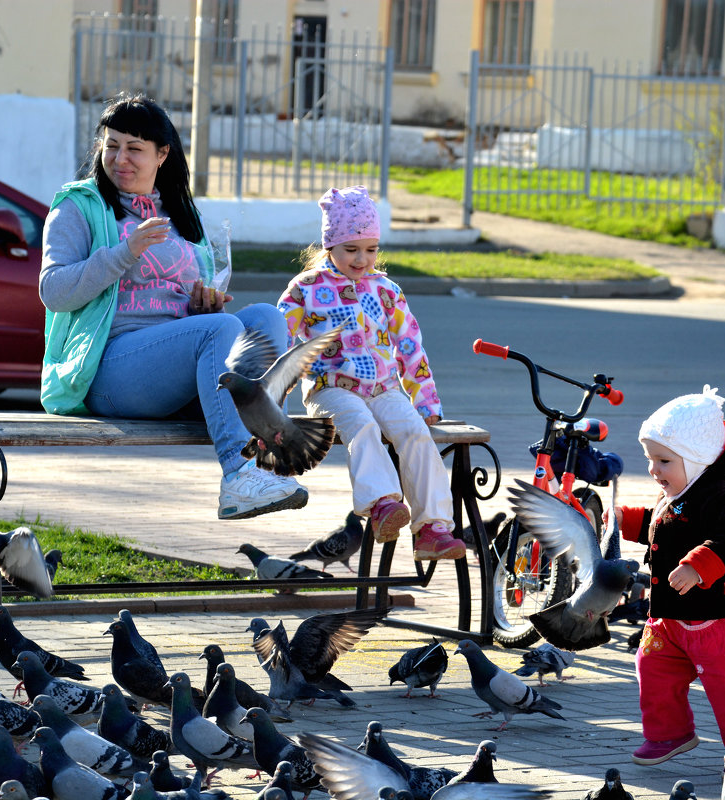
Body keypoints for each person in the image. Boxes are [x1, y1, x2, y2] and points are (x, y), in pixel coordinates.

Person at [38, 93, 307, 521]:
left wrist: (202, 307)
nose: (119, 158)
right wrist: (124, 252)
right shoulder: (78, 206)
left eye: (134, 148)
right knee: (219, 331)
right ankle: (238, 476)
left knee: (265, 318)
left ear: (162, 154)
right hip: (107, 368)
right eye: (111, 145)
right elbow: (53, 291)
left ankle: (267, 456)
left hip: (168, 375)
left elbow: (187, 321)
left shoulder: (181, 214)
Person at [276, 185, 465, 560]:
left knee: (414, 431)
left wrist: (426, 401)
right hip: (331, 388)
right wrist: (270, 405)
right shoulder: (307, 289)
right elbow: (278, 342)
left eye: (371, 249)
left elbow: (410, 346)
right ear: (329, 245)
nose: (362, 259)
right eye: (351, 249)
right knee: (361, 425)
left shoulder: (386, 289)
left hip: (384, 387)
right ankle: (382, 505)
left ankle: (431, 528)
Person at [607, 386, 725, 778]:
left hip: (717, 620)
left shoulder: (722, 497)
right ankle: (670, 734)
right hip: (667, 617)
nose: (654, 470)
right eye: (651, 459)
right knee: (652, 669)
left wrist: (699, 566)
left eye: (664, 460)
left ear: (698, 459)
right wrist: (622, 519)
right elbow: (659, 523)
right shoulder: (676, 495)